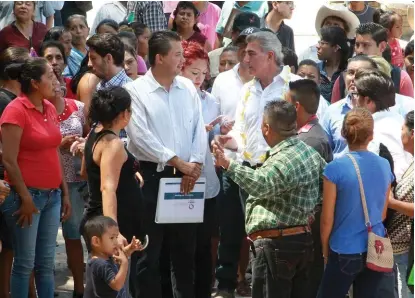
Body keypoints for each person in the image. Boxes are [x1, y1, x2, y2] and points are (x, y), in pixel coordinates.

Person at [213, 100, 325, 298]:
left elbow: (261, 184)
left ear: (266, 127)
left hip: (277, 245)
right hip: (300, 242)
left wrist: (227, 164)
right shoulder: (309, 153)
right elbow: (326, 184)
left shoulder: (284, 158)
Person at [124, 30, 206, 298]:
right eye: (178, 54)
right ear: (159, 58)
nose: (183, 60)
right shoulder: (135, 91)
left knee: (184, 253)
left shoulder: (188, 90)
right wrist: (178, 162)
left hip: (187, 179)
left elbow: (199, 131)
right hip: (151, 177)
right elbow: (140, 137)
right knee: (149, 252)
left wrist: (194, 164)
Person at [0, 58, 70, 298]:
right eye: (49, 76)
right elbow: (8, 159)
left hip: (52, 196)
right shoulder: (15, 110)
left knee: (46, 263)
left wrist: (65, 192)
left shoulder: (48, 107)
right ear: (34, 83)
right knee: (24, 263)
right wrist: (26, 197)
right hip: (27, 198)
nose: (55, 79)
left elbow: (54, 150)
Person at [318, 107, 394, 298]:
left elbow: (327, 219)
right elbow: (383, 214)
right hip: (374, 248)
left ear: (343, 134)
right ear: (371, 135)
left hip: (343, 249)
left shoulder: (334, 169)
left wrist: (325, 251)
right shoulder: (384, 165)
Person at [211, 27, 259, 298]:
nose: (245, 52)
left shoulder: (269, 81)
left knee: (258, 229)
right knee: (229, 228)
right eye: (242, 45)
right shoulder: (223, 81)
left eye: (251, 46)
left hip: (259, 166)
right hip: (229, 165)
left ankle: (252, 279)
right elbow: (214, 123)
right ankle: (226, 284)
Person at [284, 79, 332, 298]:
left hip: (306, 225)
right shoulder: (308, 134)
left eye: (285, 104)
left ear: (296, 107)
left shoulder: (310, 140)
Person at [180, 40, 221, 298]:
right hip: (180, 181)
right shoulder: (175, 97)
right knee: (182, 246)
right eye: (194, 73)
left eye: (204, 74)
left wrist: (219, 136)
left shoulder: (211, 101)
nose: (199, 79)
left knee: (205, 245)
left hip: (207, 182)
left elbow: (212, 139)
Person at [45, 70, 88, 298]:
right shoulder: (41, 112)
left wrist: (82, 142)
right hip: (51, 180)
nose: (56, 84)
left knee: (76, 234)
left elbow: (93, 136)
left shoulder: (78, 107)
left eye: (58, 79)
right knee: (49, 239)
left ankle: (80, 289)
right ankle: (46, 288)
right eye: (50, 80)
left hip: (78, 181)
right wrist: (58, 144)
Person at [0, 46, 29, 298]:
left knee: (13, 246)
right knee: (14, 246)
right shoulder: (3, 101)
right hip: (5, 182)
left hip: (11, 180)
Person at [331, 22, 414, 103]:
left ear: (382, 46)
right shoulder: (343, 78)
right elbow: (335, 112)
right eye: (357, 45)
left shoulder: (400, 78)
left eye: (365, 45)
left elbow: (409, 113)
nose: (360, 50)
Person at [83, 216, 143, 298]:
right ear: (96, 241)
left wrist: (130, 249)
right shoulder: (99, 264)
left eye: (116, 237)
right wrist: (125, 263)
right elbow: (117, 285)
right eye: (111, 238)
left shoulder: (106, 256)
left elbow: (118, 259)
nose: (116, 241)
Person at [388, 110, 414, 298]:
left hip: (410, 251)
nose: (401, 132)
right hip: (402, 248)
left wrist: (390, 202)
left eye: (403, 128)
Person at [209, 11, 260, 79]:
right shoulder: (213, 57)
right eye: (243, 38)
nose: (247, 42)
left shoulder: (260, 61)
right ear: (233, 34)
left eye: (253, 37)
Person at [316, 26, 350, 102]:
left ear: (336, 47)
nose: (317, 46)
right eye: (319, 42)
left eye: (323, 43)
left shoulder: (349, 72)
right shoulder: (316, 69)